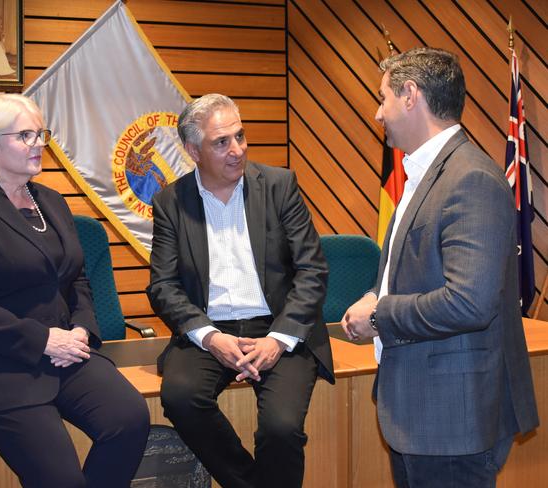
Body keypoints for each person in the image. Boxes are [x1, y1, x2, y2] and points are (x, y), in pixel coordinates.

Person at [0, 93, 150, 488]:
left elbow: (77, 279)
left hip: (66, 351)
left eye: (41, 133)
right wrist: (42, 340)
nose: (39, 144)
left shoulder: (52, 201)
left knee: (129, 419)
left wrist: (82, 328)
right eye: (25, 135)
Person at [341, 47, 539, 487]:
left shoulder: (469, 179)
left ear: (411, 95)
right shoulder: (427, 174)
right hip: (421, 411)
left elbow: (469, 302)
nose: (378, 114)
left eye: (383, 98)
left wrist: (379, 316)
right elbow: (414, 267)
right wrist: (378, 293)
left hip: (452, 421)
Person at [147, 93, 334, 488]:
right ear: (193, 150)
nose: (237, 150)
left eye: (240, 136)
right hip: (211, 327)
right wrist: (211, 337)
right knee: (180, 398)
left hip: (279, 325)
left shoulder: (279, 186)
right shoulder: (170, 203)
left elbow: (312, 269)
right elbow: (162, 285)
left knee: (281, 429)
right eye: (222, 142)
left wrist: (278, 340)